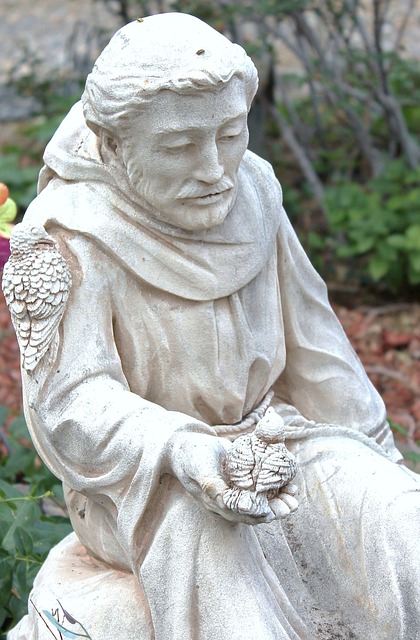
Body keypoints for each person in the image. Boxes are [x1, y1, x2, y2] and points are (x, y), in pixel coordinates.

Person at [5, 12, 420, 640]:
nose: (214, 168)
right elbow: (69, 402)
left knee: (398, 521)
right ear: (113, 145)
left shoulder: (253, 188)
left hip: (277, 445)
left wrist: (382, 463)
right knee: (215, 549)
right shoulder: (66, 233)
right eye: (178, 146)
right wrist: (181, 447)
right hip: (149, 482)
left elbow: (318, 353)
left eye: (230, 134)